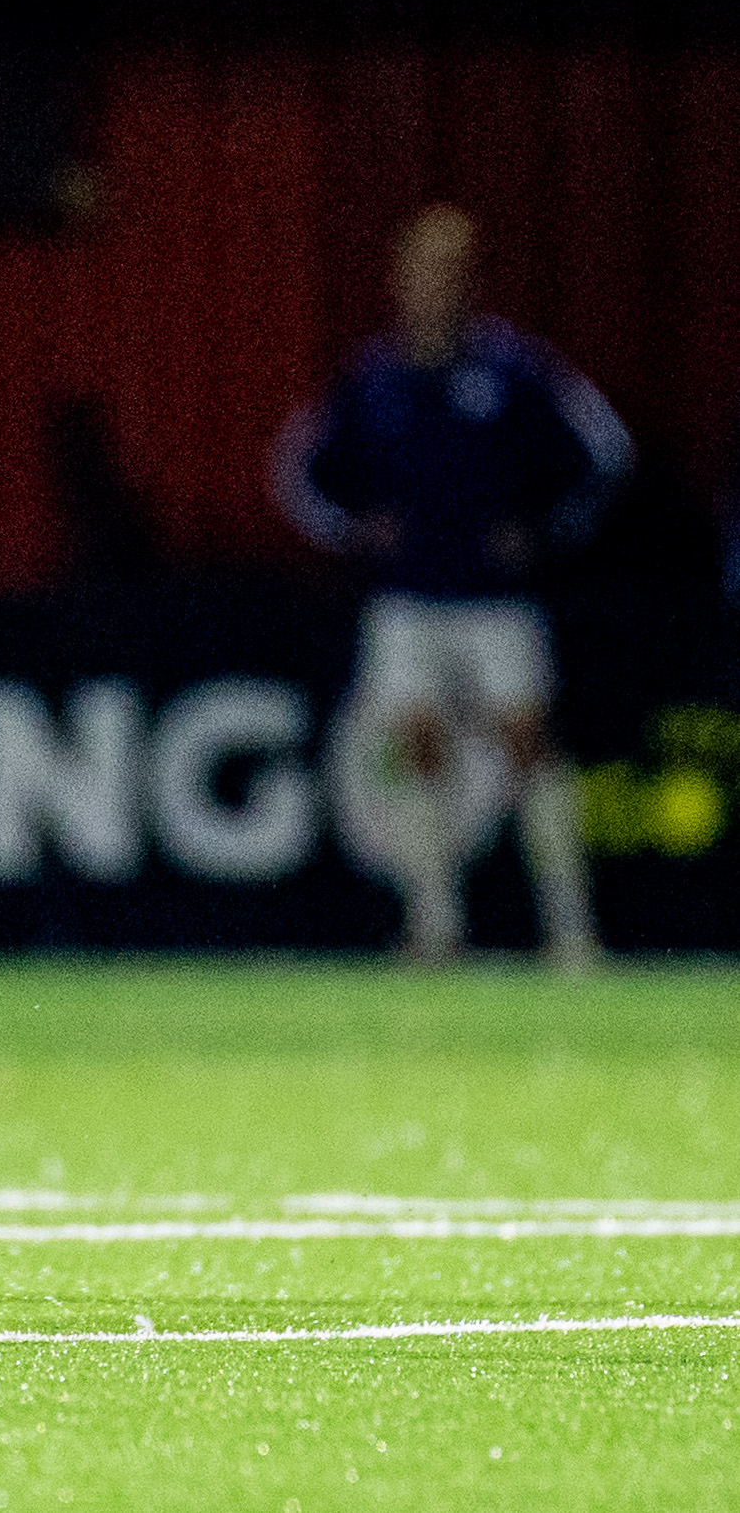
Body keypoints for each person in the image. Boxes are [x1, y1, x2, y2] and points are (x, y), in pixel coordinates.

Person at [276, 204, 626, 968]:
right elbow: (299, 471)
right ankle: (435, 926)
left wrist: (543, 533)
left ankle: (569, 930)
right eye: (426, 271)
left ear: (476, 282)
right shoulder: (373, 378)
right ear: (402, 281)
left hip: (498, 600)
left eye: (455, 272)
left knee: (529, 745)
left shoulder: (515, 371)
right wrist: (353, 530)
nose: (440, 287)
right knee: (415, 746)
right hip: (407, 598)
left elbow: (602, 459)